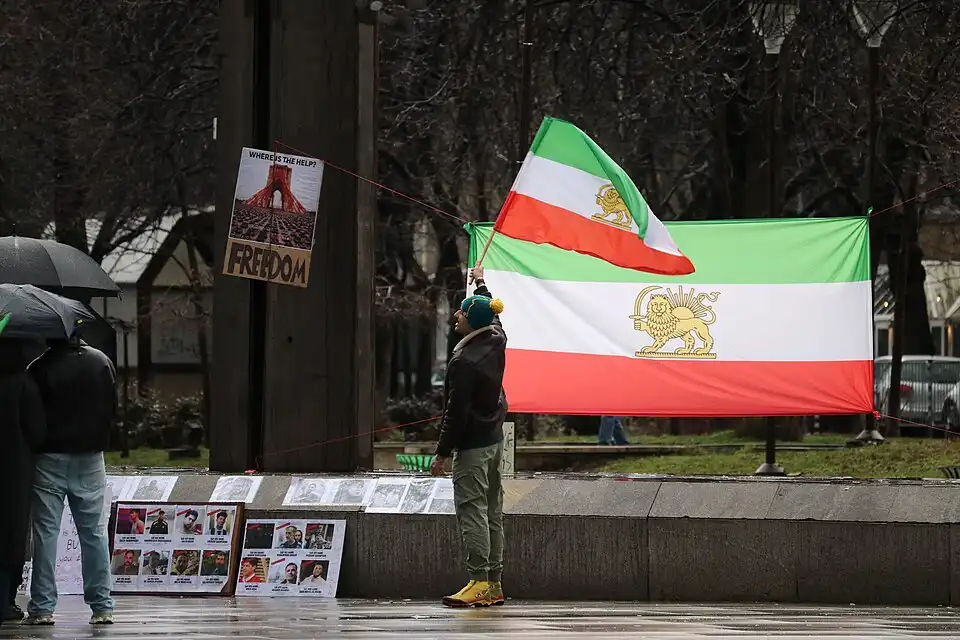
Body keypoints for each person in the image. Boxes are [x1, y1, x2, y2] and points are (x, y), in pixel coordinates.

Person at [430, 265, 507, 608]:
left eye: (462, 312)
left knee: (472, 510)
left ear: (472, 322)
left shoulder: (464, 361)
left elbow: (455, 412)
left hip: (474, 445)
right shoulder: (496, 338)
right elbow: (492, 310)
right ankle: (493, 584)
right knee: (492, 511)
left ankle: (478, 580)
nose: (457, 315)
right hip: (493, 438)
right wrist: (480, 281)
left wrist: (442, 452)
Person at [25, 337, 116, 626]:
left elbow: (33, 415)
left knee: (45, 533)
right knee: (94, 533)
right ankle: (102, 606)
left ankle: (42, 607)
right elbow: (113, 408)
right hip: (90, 457)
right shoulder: (101, 361)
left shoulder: (40, 367)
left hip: (49, 457)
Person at [0, 339, 47, 627]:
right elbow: (38, 432)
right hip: (15, 472)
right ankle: (6, 601)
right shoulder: (23, 383)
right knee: (11, 534)